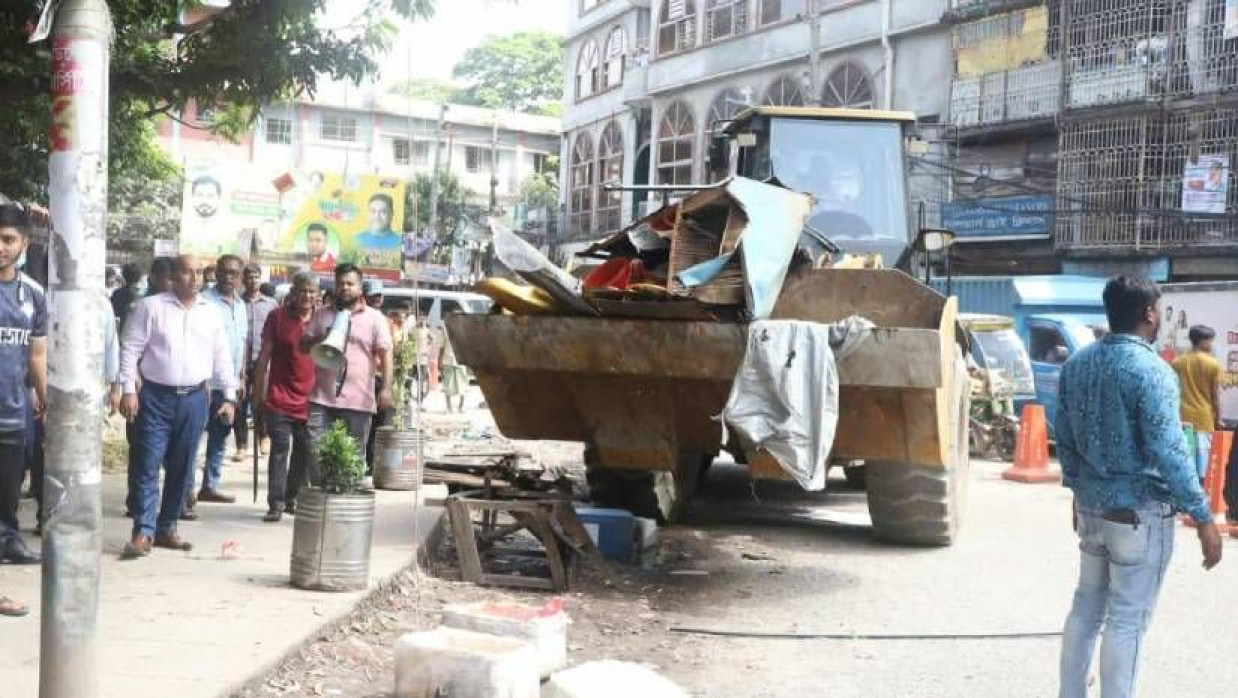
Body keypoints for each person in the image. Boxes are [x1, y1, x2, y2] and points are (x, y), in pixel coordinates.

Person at [1056, 275, 1223, 698]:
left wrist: (1078, 493)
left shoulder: (1077, 365)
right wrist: (1203, 516)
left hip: (1093, 509)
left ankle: (1070, 692)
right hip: (1139, 515)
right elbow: (1170, 452)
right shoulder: (1152, 370)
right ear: (1149, 313)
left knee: (1086, 607)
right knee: (1128, 619)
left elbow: (1066, 438)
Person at [118, 255, 237, 559]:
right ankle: (142, 531)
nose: (194, 278)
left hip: (195, 399)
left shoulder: (211, 314)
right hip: (155, 398)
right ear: (174, 275)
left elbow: (222, 356)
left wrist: (230, 396)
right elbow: (131, 349)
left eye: (199, 273)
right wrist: (128, 390)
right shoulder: (152, 307)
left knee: (182, 468)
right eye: (187, 272)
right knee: (147, 464)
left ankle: (166, 527)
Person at [301, 264, 393, 478]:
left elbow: (386, 354)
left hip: (358, 402)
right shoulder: (321, 315)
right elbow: (303, 346)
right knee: (316, 455)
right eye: (340, 283)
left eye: (350, 284)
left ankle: (345, 508)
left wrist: (387, 388)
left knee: (352, 459)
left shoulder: (374, 318)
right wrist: (322, 338)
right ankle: (322, 504)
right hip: (322, 400)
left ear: (360, 289)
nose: (344, 288)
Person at [0, 204, 46, 566]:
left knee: (9, 489)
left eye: (8, 240)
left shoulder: (33, 295)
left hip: (13, 414)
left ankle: (9, 541)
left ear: (24, 243)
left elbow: (37, 356)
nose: (1, 246)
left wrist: (48, 402)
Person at [254, 271, 319, 522]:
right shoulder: (277, 317)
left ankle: (292, 497)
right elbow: (264, 357)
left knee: (304, 451)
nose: (307, 296)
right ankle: (276, 503)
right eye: (303, 290)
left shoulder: (322, 319)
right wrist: (257, 394)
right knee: (280, 449)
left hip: (310, 400)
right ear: (293, 293)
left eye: (312, 292)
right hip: (279, 397)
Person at [189, 254, 247, 513]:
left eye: (234, 273)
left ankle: (210, 485)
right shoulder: (204, 302)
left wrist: (241, 376)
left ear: (240, 276)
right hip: (203, 383)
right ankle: (186, 490)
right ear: (217, 273)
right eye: (224, 272)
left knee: (221, 435)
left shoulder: (241, 305)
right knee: (193, 438)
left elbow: (241, 344)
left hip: (229, 385)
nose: (228, 277)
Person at [1173, 325, 1223, 482]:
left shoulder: (1177, 363)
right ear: (1201, 341)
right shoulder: (1213, 364)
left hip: (1183, 417)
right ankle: (1200, 495)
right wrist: (1218, 418)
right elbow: (1215, 395)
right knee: (1203, 463)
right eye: (1209, 341)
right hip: (1204, 417)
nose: (1211, 344)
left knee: (1185, 459)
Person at [242, 264, 278, 458]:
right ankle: (241, 444)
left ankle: (263, 436)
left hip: (262, 360)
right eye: (249, 277)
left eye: (256, 277)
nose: (252, 280)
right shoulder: (238, 302)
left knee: (262, 401)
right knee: (240, 401)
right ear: (243, 279)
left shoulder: (271, 304)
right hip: (240, 361)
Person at [440, 330, 468, 413]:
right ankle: (449, 407)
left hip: (460, 361)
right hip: (448, 360)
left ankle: (461, 406)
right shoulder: (445, 330)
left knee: (463, 384)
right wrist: (440, 360)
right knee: (447, 385)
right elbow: (442, 347)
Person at [111, 262, 143, 328]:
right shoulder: (142, 296)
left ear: (123, 276)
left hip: (121, 330)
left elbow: (113, 312)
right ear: (139, 278)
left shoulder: (117, 293)